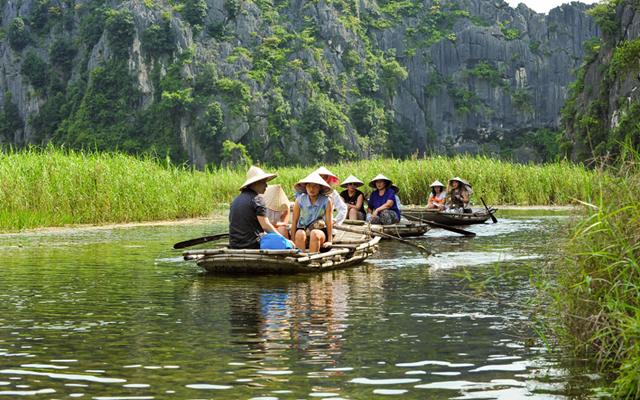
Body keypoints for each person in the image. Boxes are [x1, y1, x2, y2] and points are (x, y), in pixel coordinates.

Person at [229, 166, 291, 249]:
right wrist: (284, 240)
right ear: (255, 183)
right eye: (264, 182)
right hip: (253, 245)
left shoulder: (235, 200)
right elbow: (266, 226)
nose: (266, 186)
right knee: (287, 245)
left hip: (234, 244)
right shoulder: (258, 199)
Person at [291, 173, 334, 253]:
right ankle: (300, 259)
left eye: (315, 186)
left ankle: (312, 259)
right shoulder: (299, 200)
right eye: (309, 186)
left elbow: (328, 222)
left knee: (314, 233)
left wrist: (329, 241)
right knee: (299, 233)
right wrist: (292, 240)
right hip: (303, 231)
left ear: (320, 187)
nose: (312, 189)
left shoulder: (326, 201)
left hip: (319, 231)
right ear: (306, 187)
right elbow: (294, 222)